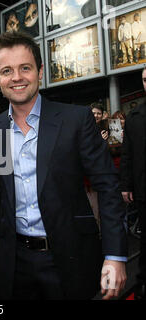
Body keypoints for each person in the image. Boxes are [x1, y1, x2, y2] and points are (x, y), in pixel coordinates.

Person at [0, 31, 127, 300]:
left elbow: (107, 186)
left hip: (72, 257)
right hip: (15, 261)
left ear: (40, 71)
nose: (17, 77)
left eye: (25, 68)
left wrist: (115, 255)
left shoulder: (76, 120)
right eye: (7, 70)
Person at [120, 67, 146, 299]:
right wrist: (126, 185)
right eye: (145, 81)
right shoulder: (134, 117)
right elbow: (127, 155)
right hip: (143, 190)